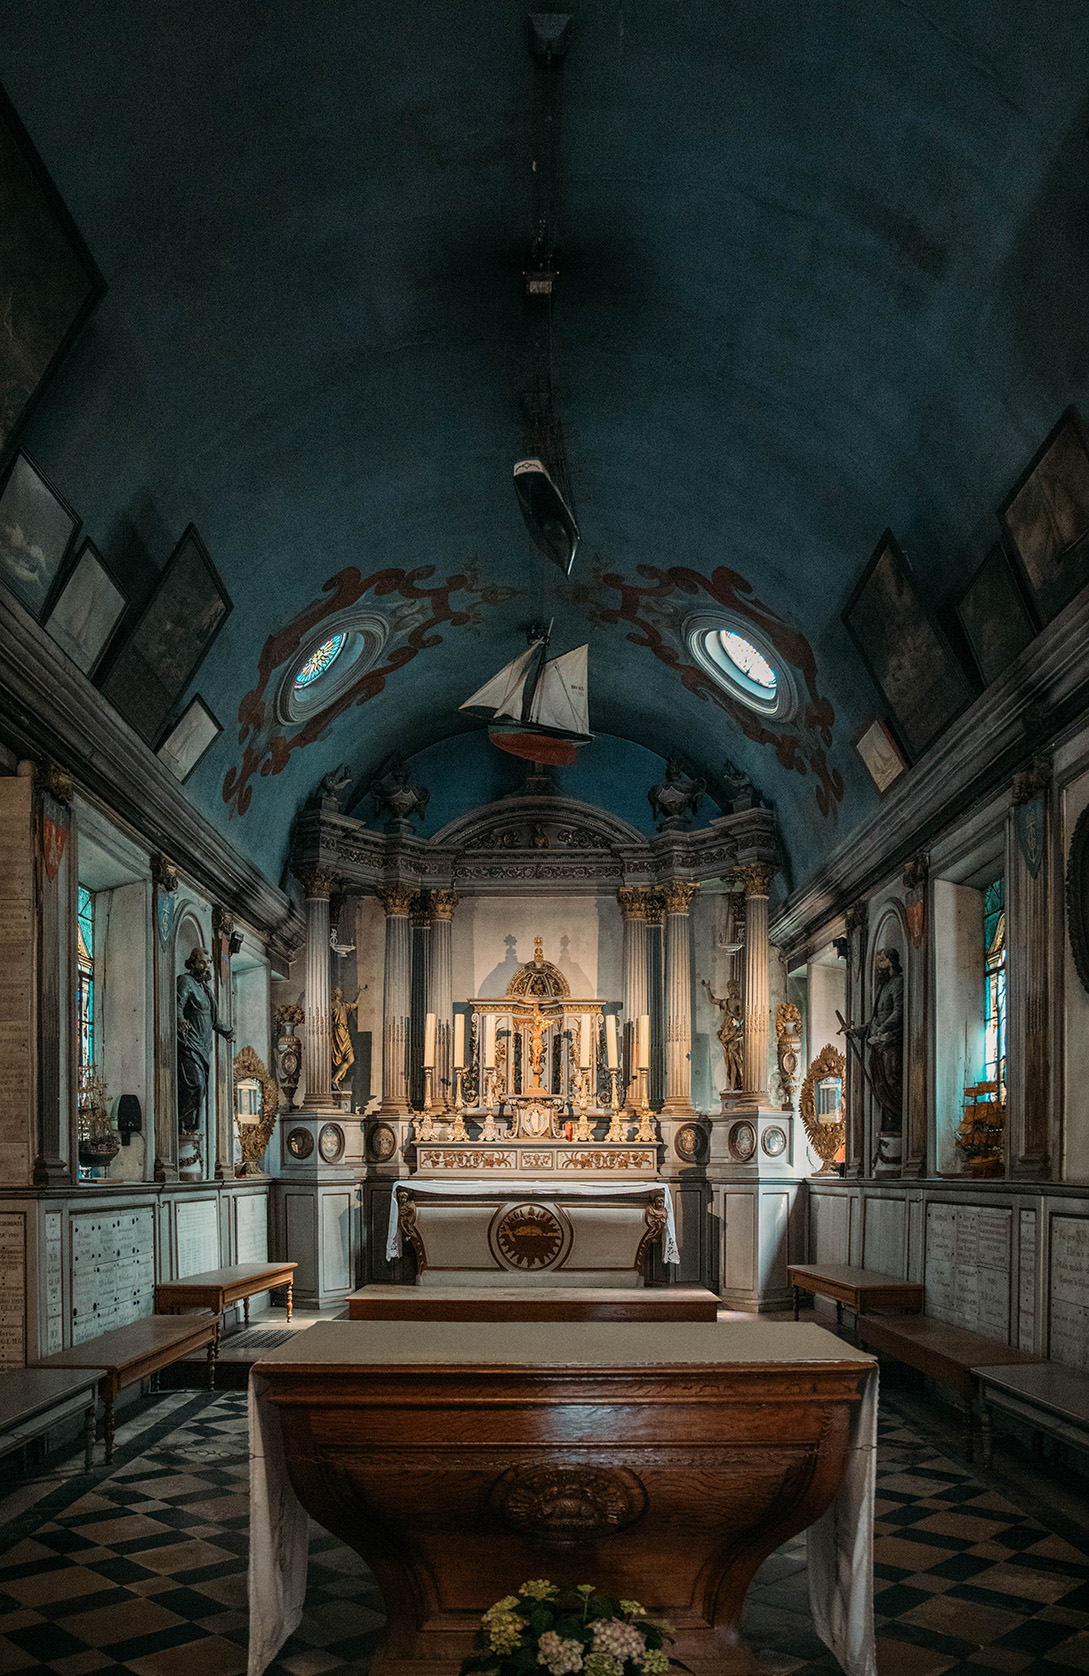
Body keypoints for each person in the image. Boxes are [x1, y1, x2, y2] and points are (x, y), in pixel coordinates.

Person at [176, 948, 234, 1133]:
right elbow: (177, 1004)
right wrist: (180, 1020)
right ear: (193, 963)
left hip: (204, 1045)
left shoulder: (206, 990)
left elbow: (215, 1020)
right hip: (190, 1043)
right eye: (202, 962)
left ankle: (191, 1127)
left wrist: (228, 1032)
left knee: (202, 1089)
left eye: (208, 962)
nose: (206, 966)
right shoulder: (185, 981)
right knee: (196, 1085)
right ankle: (183, 1124)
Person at [850, 946, 904, 1133]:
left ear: (891, 962)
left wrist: (881, 1031)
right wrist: (859, 1031)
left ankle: (896, 1119)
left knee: (890, 1080)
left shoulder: (898, 983)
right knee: (879, 1084)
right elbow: (875, 1017)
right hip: (876, 1042)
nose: (878, 966)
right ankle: (889, 1120)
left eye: (881, 961)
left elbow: (899, 1011)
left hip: (889, 1042)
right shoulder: (883, 986)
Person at [702, 977, 743, 1089]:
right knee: (728, 1062)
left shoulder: (740, 1002)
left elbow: (742, 1017)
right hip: (726, 1033)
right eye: (730, 987)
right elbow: (712, 1000)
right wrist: (708, 988)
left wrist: (736, 1021)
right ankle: (732, 1085)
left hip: (734, 1034)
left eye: (734, 987)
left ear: (738, 989)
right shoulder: (725, 1002)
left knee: (735, 1059)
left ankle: (738, 1084)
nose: (732, 990)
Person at [331, 987, 361, 1088]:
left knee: (350, 1059)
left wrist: (360, 992)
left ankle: (335, 1078)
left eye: (340, 990)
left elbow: (355, 1004)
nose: (340, 991)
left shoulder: (344, 1005)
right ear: (334, 993)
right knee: (338, 1058)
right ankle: (335, 1078)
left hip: (345, 1033)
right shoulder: (330, 1005)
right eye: (338, 990)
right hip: (337, 1032)